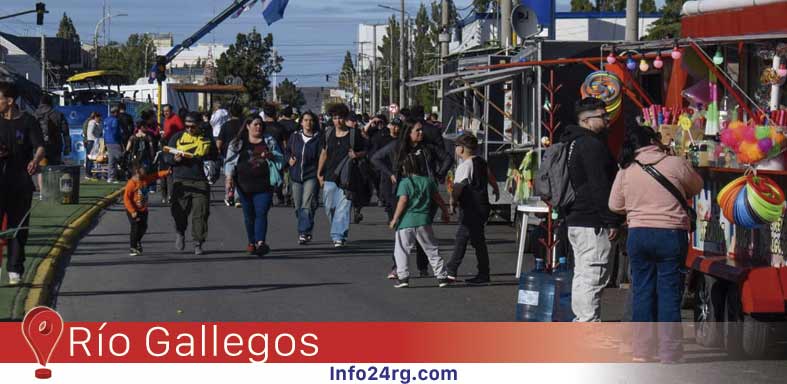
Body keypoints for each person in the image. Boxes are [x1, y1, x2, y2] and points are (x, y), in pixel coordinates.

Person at [609, 124, 702, 363]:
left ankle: (642, 350)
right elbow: (697, 186)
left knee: (642, 291)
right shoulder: (675, 163)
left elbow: (614, 205)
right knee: (669, 292)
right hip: (670, 234)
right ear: (654, 140)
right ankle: (669, 352)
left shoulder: (627, 168)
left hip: (638, 234)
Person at [561, 97, 625, 322]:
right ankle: (588, 327)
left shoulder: (573, 142)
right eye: (602, 115)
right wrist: (611, 220)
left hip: (577, 218)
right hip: (592, 221)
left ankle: (582, 323)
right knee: (593, 276)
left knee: (582, 274)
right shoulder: (591, 145)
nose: (608, 119)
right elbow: (599, 185)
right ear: (587, 120)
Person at [374, 118, 453, 278]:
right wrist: (391, 173)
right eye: (417, 130)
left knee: (424, 231)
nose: (421, 133)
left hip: (425, 193)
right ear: (408, 132)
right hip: (403, 194)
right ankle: (398, 267)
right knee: (402, 233)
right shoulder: (397, 147)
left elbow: (447, 158)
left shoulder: (427, 148)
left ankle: (423, 267)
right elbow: (376, 158)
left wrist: (439, 174)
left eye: (422, 130)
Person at [0, 81, 45, 285]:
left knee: (18, 227)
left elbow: (39, 147)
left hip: (20, 182)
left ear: (9, 101)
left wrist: (35, 161)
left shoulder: (28, 121)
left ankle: (14, 269)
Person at [389, 152, 452, 288]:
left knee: (401, 250)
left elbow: (403, 200)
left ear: (404, 168)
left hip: (406, 222)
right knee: (431, 249)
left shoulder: (405, 183)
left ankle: (403, 277)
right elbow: (438, 199)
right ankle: (442, 277)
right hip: (424, 220)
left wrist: (395, 218)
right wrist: (445, 211)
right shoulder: (428, 181)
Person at [225, 114, 284, 256]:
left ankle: (260, 242)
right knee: (249, 215)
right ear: (247, 126)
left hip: (264, 185)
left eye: (260, 125)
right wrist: (229, 179)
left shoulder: (269, 141)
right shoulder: (238, 142)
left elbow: (280, 159)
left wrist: (272, 156)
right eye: (255, 124)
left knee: (261, 212)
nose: (258, 127)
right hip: (243, 186)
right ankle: (251, 242)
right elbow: (229, 162)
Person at [446, 134, 500, 284]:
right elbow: (490, 175)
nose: (455, 149)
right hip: (483, 206)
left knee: (462, 238)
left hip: (471, 207)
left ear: (461, 149)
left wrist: (452, 202)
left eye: (456, 146)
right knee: (477, 241)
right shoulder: (480, 161)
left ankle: (451, 271)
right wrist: (495, 188)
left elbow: (458, 187)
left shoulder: (465, 166)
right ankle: (483, 273)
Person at [164, 112, 218, 255]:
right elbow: (166, 155)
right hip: (181, 180)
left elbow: (216, 158)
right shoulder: (177, 137)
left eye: (192, 127)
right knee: (179, 212)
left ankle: (198, 242)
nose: (189, 129)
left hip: (201, 181)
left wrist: (214, 171)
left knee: (201, 213)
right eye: (186, 126)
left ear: (199, 125)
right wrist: (174, 159)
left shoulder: (207, 140)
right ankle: (180, 232)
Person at [317, 103, 367, 248]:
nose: (337, 121)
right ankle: (337, 228)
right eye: (334, 118)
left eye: (340, 118)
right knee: (330, 206)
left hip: (348, 178)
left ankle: (338, 235)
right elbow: (324, 153)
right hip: (330, 176)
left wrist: (356, 154)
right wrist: (319, 172)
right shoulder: (327, 133)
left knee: (344, 207)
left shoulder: (354, 134)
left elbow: (366, 150)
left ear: (345, 118)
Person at [287, 111, 323, 245]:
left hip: (311, 175)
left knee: (306, 205)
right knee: (298, 206)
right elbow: (287, 151)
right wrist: (288, 159)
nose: (308, 123)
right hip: (296, 175)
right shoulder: (295, 137)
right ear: (301, 122)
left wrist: (320, 173)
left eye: (311, 120)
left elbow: (322, 156)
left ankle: (304, 232)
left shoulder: (318, 138)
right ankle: (306, 224)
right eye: (306, 120)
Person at [123, 163, 171, 256]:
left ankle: (137, 241)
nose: (145, 170)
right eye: (143, 169)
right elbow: (126, 199)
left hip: (143, 209)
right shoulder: (131, 183)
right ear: (137, 172)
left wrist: (166, 172)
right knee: (135, 227)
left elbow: (155, 175)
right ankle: (133, 247)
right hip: (133, 210)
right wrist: (132, 211)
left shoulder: (145, 179)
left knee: (143, 227)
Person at [218, 104, 244, 207]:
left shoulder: (225, 125)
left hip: (227, 154)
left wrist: (219, 151)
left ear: (230, 113)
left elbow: (219, 142)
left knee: (229, 176)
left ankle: (229, 195)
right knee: (240, 176)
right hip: (242, 153)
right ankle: (238, 198)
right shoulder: (244, 125)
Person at [34, 95, 71, 166]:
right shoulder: (58, 114)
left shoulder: (34, 115)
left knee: (41, 170)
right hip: (55, 145)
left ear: (41, 102)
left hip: (39, 146)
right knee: (55, 169)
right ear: (51, 102)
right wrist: (67, 147)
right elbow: (66, 132)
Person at [161, 104, 184, 203]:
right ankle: (164, 195)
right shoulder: (165, 120)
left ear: (171, 111)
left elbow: (181, 132)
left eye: (167, 111)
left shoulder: (176, 119)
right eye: (164, 111)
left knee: (169, 172)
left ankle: (170, 195)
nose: (165, 113)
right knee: (164, 171)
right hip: (166, 146)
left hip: (173, 148)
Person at [103, 106, 124, 183]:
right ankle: (118, 175)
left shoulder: (106, 120)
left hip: (108, 141)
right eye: (118, 112)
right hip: (114, 141)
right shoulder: (115, 120)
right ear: (115, 112)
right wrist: (119, 138)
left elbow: (105, 131)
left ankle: (111, 177)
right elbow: (115, 132)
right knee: (120, 157)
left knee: (112, 160)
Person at [84, 112, 102, 179]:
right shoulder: (92, 123)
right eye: (99, 118)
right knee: (90, 158)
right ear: (96, 117)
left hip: (92, 141)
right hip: (91, 142)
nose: (100, 119)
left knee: (91, 158)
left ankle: (89, 173)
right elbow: (91, 132)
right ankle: (88, 173)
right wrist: (96, 139)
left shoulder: (95, 123)